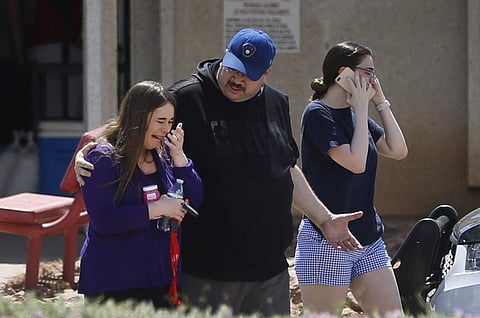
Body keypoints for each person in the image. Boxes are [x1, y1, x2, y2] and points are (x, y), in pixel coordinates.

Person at [75, 29, 363, 316]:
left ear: (267, 73)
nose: (237, 79)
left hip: (269, 270)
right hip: (208, 270)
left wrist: (324, 219)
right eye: (234, 68)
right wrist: (87, 150)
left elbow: (286, 168)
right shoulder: (186, 97)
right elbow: (137, 123)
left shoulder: (277, 102)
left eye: (248, 74)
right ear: (225, 56)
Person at [294, 41, 408, 316]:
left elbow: (398, 150)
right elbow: (356, 163)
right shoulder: (318, 114)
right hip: (329, 240)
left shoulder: (357, 115)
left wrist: (380, 102)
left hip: (368, 238)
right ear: (344, 73)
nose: (373, 78)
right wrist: (361, 108)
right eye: (368, 71)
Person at [78, 80, 203, 309]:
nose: (166, 129)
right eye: (160, 121)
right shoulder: (103, 158)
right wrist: (157, 209)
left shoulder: (163, 153)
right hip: (114, 280)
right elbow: (104, 220)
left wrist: (180, 158)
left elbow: (194, 200)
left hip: (160, 278)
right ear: (138, 118)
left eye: (171, 122)